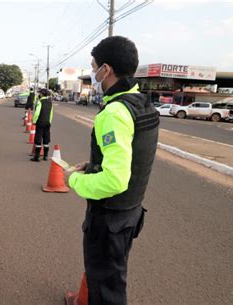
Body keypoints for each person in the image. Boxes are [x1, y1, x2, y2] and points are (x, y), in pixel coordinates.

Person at [65, 36, 159, 305]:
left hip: (109, 219)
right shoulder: (142, 102)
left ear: (106, 70)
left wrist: (75, 180)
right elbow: (130, 155)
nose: (93, 72)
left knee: (106, 288)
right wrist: (93, 166)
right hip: (130, 214)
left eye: (94, 66)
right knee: (112, 277)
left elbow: (116, 180)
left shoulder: (114, 112)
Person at [30, 88, 53, 162]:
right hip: (47, 123)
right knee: (46, 139)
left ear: (42, 94)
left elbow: (37, 113)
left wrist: (34, 121)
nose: (39, 94)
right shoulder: (50, 102)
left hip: (40, 122)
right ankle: (45, 156)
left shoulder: (40, 102)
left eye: (39, 93)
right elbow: (51, 114)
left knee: (38, 139)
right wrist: (49, 121)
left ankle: (36, 157)